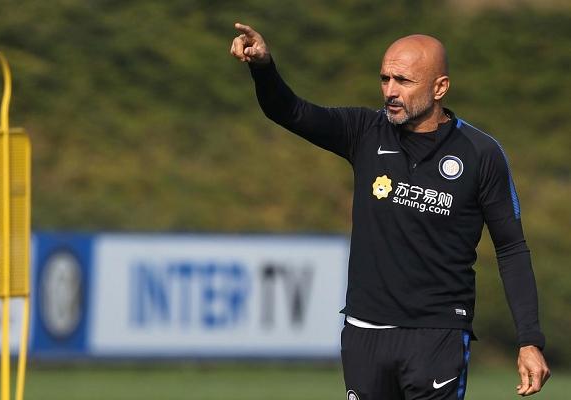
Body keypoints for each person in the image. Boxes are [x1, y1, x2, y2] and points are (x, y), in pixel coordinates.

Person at [230, 23, 550, 399]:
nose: (390, 91)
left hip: (437, 334)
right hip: (364, 331)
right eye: (385, 79)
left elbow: (511, 248)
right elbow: (291, 111)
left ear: (440, 87)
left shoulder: (481, 153)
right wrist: (263, 68)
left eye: (403, 80)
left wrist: (529, 339)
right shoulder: (365, 131)